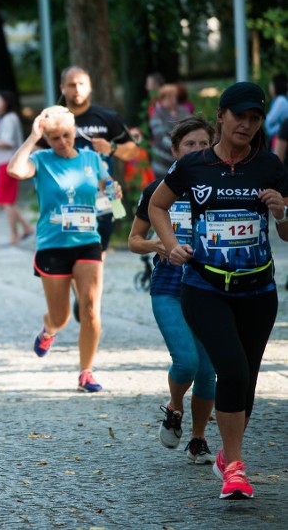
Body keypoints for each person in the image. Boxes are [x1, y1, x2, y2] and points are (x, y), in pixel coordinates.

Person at [148, 81, 288, 500]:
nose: (246, 124)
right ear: (221, 117)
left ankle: (228, 457)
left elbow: (286, 232)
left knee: (245, 381)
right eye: (239, 116)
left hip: (258, 291)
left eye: (254, 117)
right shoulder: (194, 165)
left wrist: (282, 212)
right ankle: (237, 468)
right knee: (230, 369)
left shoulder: (271, 167)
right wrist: (171, 246)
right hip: (205, 286)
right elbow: (157, 205)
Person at [128, 115, 217, 464]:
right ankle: (174, 406)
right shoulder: (156, 190)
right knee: (187, 362)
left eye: (203, 144)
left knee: (209, 372)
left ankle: (197, 439)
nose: (197, 150)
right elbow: (133, 241)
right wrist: (156, 245)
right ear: (176, 151)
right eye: (189, 144)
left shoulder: (220, 190)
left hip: (209, 289)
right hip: (168, 289)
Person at [7, 105, 115, 393]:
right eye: (55, 138)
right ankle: (48, 330)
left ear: (75, 131)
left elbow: (109, 189)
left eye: (67, 135)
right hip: (52, 245)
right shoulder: (41, 159)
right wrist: (32, 138)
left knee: (90, 308)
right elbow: (14, 170)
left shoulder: (92, 158)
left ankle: (86, 372)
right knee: (61, 316)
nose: (63, 143)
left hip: (87, 242)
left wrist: (117, 204)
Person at [59, 66, 139, 323]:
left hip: (105, 198)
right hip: (68, 200)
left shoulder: (107, 117)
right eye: (71, 84)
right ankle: (84, 297)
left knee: (97, 254)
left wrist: (111, 147)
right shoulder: (55, 119)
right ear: (63, 88)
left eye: (82, 84)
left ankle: (89, 302)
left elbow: (133, 151)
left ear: (90, 87)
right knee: (74, 255)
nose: (77, 89)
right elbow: (34, 156)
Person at [0, 90, 34, 243]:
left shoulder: (9, 119)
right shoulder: (3, 119)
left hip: (8, 162)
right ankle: (27, 227)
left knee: (5, 201)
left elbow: (7, 141)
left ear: (5, 103)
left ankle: (14, 235)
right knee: (8, 201)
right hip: (5, 162)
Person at [149, 84, 190, 178]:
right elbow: (160, 136)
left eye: (174, 96)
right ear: (163, 98)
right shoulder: (157, 114)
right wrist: (178, 147)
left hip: (181, 159)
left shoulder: (183, 111)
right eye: (169, 97)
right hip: (162, 161)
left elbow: (192, 128)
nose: (173, 99)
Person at [265, 72, 288, 146]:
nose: (270, 88)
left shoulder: (281, 101)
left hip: (280, 138)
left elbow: (268, 120)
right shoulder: (279, 100)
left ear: (276, 86)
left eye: (272, 85)